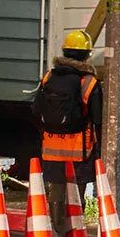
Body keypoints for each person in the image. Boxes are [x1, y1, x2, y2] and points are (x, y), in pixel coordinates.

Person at [33, 28, 102, 210]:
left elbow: (36, 110)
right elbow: (98, 119)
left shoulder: (48, 77)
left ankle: (58, 233)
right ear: (87, 55)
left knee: (56, 191)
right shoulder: (89, 81)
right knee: (76, 195)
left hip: (51, 148)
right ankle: (75, 233)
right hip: (78, 151)